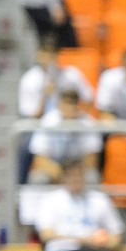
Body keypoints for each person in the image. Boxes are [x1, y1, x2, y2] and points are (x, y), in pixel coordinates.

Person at [35, 158, 123, 251]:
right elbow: (46, 234)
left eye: (78, 175)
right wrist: (81, 239)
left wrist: (103, 241)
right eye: (71, 175)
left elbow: (116, 236)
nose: (75, 179)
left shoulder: (99, 200)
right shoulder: (50, 200)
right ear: (64, 178)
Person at [17, 35, 93, 182]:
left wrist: (74, 112)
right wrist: (44, 96)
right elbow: (32, 116)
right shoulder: (29, 80)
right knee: (26, 143)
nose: (49, 59)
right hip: (41, 125)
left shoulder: (71, 75)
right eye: (45, 54)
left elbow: (89, 99)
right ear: (39, 55)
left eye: (52, 54)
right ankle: (20, 186)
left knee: (94, 135)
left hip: (70, 120)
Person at [27, 89, 103, 184]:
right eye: (67, 103)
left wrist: (74, 176)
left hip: (78, 171)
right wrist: (61, 175)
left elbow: (91, 160)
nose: (70, 108)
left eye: (73, 103)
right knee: (38, 179)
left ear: (78, 105)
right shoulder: (47, 122)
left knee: (92, 177)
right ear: (59, 105)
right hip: (54, 169)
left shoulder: (88, 123)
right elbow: (40, 159)